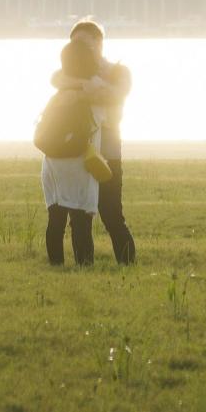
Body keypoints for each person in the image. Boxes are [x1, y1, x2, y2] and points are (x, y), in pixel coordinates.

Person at [51, 19, 136, 265]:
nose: (77, 48)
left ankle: (128, 264)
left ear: (98, 43)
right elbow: (56, 79)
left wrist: (81, 88)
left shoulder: (119, 71)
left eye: (83, 43)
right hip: (78, 153)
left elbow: (114, 95)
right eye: (73, 44)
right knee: (79, 215)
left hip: (108, 152)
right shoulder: (70, 72)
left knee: (111, 214)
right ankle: (84, 266)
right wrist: (85, 85)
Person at [40, 40, 107, 266]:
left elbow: (55, 77)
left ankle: (56, 264)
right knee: (81, 219)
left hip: (53, 162)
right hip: (80, 162)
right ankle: (84, 264)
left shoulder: (59, 92)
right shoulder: (94, 87)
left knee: (55, 219)